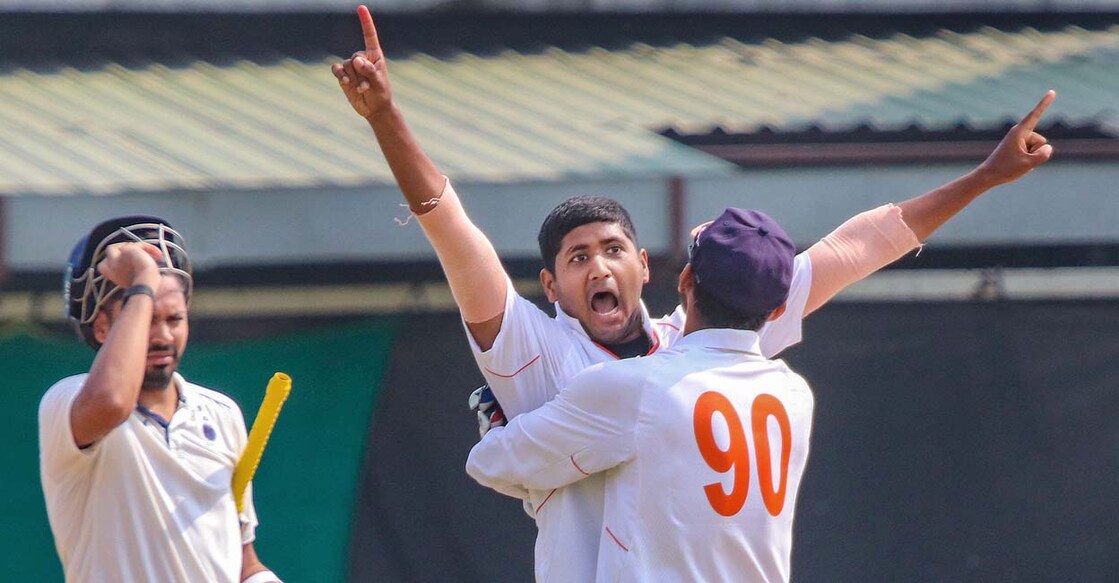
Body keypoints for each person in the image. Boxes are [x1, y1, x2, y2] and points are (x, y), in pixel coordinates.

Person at [332, 6, 1055, 580]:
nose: (598, 267)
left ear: (655, 270)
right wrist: (386, 120)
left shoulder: (689, 347)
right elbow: (453, 231)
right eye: (578, 258)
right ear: (549, 287)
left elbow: (853, 248)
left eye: (613, 249)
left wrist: (499, 442)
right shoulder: (550, 348)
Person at [468, 208, 812, 582]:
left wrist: (505, 432)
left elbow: (490, 463)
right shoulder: (794, 393)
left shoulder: (640, 386)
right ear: (778, 310)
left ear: (685, 279)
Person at [38, 216, 281, 583]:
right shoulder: (68, 400)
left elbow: (243, 560)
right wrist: (142, 280)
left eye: (174, 319)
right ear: (102, 327)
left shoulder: (221, 413)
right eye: (148, 318)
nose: (164, 336)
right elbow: (113, 400)